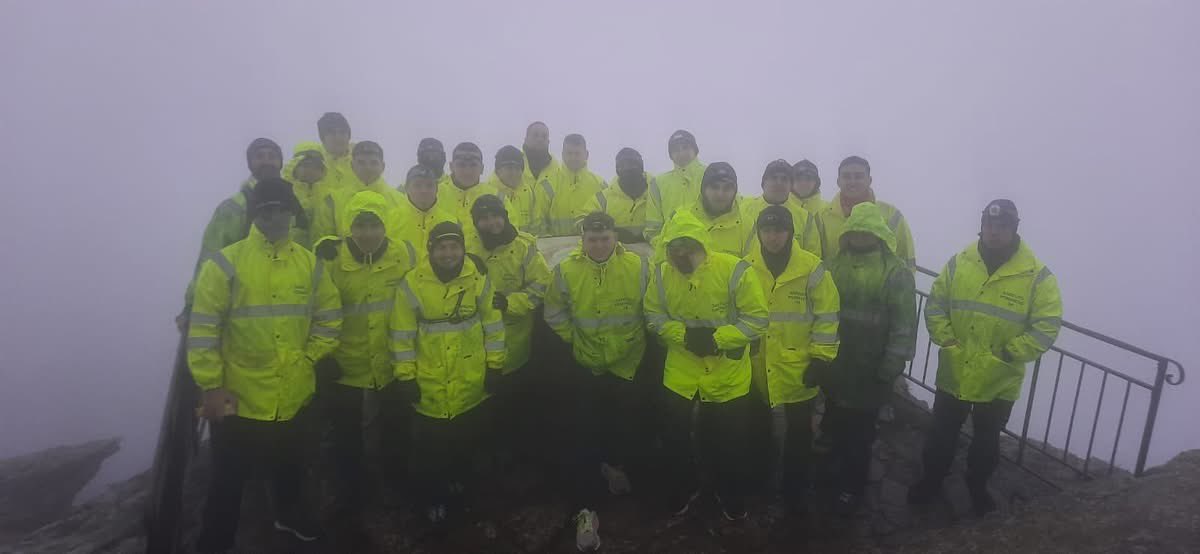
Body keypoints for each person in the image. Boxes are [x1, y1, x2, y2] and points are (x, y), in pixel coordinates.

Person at [186, 178, 341, 552]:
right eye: (267, 210)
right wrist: (211, 384)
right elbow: (204, 329)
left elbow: (329, 316)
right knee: (228, 480)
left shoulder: (310, 263)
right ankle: (214, 543)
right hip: (239, 395)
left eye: (282, 210)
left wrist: (309, 357)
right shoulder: (226, 263)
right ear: (256, 214)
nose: (275, 218)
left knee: (290, 465)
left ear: (292, 214)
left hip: (294, 390)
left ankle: (287, 517)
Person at [909, 199, 1062, 516]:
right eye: (990, 225)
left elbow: (1046, 327)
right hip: (955, 369)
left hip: (998, 378)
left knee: (986, 443)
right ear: (982, 226)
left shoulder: (1037, 276)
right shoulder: (960, 262)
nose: (994, 231)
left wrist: (1008, 353)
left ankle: (977, 488)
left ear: (1014, 229)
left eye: (1002, 226)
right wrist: (946, 339)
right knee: (941, 435)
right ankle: (932, 482)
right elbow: (936, 305)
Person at [645, 210, 769, 521]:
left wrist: (717, 339)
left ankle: (730, 491)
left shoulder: (735, 270)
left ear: (702, 242)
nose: (681, 252)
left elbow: (757, 319)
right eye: (675, 245)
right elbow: (654, 316)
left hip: (727, 371)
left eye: (688, 244)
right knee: (674, 437)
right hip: (681, 371)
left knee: (730, 440)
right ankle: (685, 486)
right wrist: (685, 336)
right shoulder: (661, 274)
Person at [543, 212, 649, 551]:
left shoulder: (637, 266)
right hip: (586, 362)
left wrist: (636, 339)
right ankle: (585, 509)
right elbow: (554, 311)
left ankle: (615, 468)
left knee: (626, 424)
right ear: (582, 240)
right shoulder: (566, 269)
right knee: (584, 433)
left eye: (605, 238)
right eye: (592, 239)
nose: (599, 245)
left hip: (627, 362)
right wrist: (573, 338)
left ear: (615, 238)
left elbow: (653, 306)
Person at [389, 222, 505, 524]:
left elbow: (493, 327)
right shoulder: (411, 284)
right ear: (430, 250)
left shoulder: (478, 279)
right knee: (429, 454)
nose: (448, 253)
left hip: (470, 384)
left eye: (454, 246)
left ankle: (463, 491)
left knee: (467, 447)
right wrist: (405, 377)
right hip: (429, 386)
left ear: (463, 249)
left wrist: (495, 366)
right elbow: (401, 334)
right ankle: (433, 499)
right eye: (441, 247)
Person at [314, 191, 419, 519]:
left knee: (395, 429)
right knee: (345, 434)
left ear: (386, 225)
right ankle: (350, 492)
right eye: (360, 225)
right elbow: (315, 308)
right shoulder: (330, 259)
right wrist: (323, 356)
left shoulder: (404, 254)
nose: (368, 233)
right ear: (349, 227)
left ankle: (396, 484)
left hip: (392, 360)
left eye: (375, 225)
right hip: (345, 362)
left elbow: (425, 284)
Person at [814, 202, 916, 516]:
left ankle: (852, 488)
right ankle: (829, 480)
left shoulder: (895, 272)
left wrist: (890, 368)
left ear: (879, 234)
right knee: (832, 427)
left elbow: (903, 326)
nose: (860, 237)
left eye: (867, 231)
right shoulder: (832, 266)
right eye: (855, 231)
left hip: (872, 369)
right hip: (836, 364)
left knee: (861, 435)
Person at [743, 206, 839, 518]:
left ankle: (794, 489)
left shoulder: (813, 269)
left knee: (800, 433)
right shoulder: (744, 267)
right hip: (757, 364)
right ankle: (759, 479)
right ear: (758, 232)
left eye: (780, 230)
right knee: (757, 429)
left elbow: (827, 316)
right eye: (767, 230)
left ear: (791, 232)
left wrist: (822, 359)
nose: (773, 237)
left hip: (799, 368)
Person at [179, 138, 299, 329]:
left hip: (290, 298)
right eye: (259, 156)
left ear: (281, 162)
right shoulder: (232, 208)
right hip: (244, 301)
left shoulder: (296, 203)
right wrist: (193, 303)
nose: (266, 161)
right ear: (250, 163)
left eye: (272, 156)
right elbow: (210, 258)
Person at [467, 195, 552, 462]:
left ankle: (517, 462)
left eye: (495, 216)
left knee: (515, 410)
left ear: (504, 216)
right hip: (475, 344)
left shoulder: (524, 247)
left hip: (516, 344)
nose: (491, 223)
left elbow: (541, 287)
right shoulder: (466, 247)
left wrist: (510, 303)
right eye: (483, 218)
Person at [816, 156, 915, 269]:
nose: (852, 182)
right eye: (846, 176)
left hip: (881, 286)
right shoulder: (823, 217)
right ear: (838, 181)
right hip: (833, 285)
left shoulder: (891, 215)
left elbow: (906, 260)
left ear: (869, 180)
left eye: (858, 176)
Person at [311, 141, 403, 245]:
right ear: (352, 166)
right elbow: (322, 239)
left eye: (374, 163)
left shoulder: (401, 201)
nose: (368, 168)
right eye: (361, 162)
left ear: (383, 166)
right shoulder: (333, 200)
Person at [666, 162, 754, 259]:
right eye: (714, 187)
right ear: (703, 189)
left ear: (735, 191)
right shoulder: (679, 218)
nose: (720, 194)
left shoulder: (747, 226)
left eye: (727, 188)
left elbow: (751, 269)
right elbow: (662, 262)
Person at [742, 159, 823, 258]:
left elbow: (814, 257)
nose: (779, 183)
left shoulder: (805, 218)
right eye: (773, 178)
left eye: (784, 179)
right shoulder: (744, 210)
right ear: (763, 183)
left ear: (791, 186)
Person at [579, 147, 651, 244]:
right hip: (613, 256)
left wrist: (643, 236)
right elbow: (581, 222)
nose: (628, 170)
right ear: (617, 170)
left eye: (633, 166)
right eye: (623, 167)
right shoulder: (603, 199)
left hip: (652, 256)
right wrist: (607, 229)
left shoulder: (657, 195)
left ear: (641, 168)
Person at [645, 130, 706, 244]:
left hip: (707, 250)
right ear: (671, 155)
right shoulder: (658, 183)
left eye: (685, 147)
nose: (681, 153)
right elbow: (653, 228)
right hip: (671, 253)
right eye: (676, 150)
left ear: (695, 150)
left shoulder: (710, 175)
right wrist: (665, 249)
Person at [543, 134, 606, 236]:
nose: (573, 157)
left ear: (586, 155)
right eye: (569, 153)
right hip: (556, 248)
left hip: (593, 248)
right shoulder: (547, 184)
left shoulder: (600, 184)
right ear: (563, 154)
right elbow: (539, 222)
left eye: (577, 153)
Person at [395, 165, 458, 261]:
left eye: (429, 185)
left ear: (437, 189)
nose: (424, 190)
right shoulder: (390, 220)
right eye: (417, 185)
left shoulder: (451, 222)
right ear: (407, 188)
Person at [439, 142, 498, 237]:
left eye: (473, 165)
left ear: (482, 168)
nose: (468, 171)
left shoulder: (497, 197)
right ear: (451, 167)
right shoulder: (434, 195)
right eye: (461, 165)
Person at [486, 145, 541, 234]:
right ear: (498, 170)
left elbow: (536, 226)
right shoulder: (487, 194)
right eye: (509, 168)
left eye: (517, 168)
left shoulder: (528, 192)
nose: (514, 173)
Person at [283, 142, 328, 247]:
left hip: (322, 258)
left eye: (317, 167)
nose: (311, 171)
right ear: (294, 166)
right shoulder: (283, 194)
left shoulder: (329, 197)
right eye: (306, 165)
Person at [315, 112, 355, 194]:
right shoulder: (313, 162)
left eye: (342, 132)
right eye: (332, 133)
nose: (338, 137)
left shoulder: (363, 161)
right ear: (322, 138)